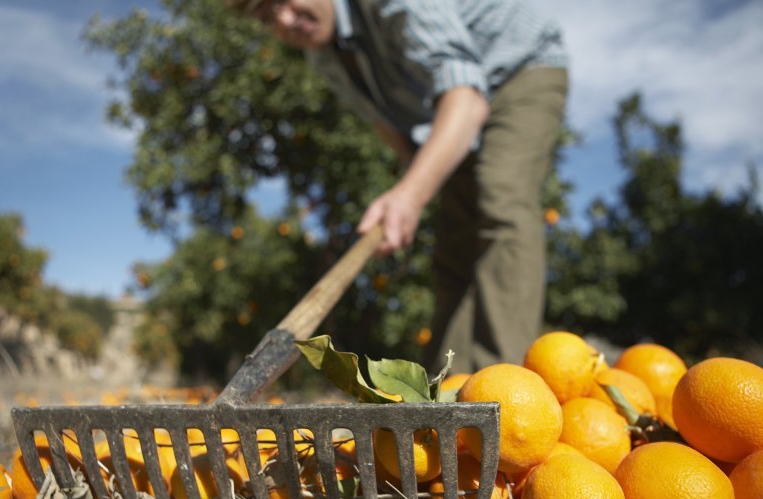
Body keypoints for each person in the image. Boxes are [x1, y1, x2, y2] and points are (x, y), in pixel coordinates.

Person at [230, 0, 568, 373]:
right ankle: (449, 389)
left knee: (500, 200)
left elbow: (467, 100)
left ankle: (503, 388)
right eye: (266, 16)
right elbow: (385, 121)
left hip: (516, 70)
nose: (284, 20)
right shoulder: (324, 56)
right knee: (455, 246)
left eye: (282, 1)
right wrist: (412, 184)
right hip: (452, 110)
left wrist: (411, 194)